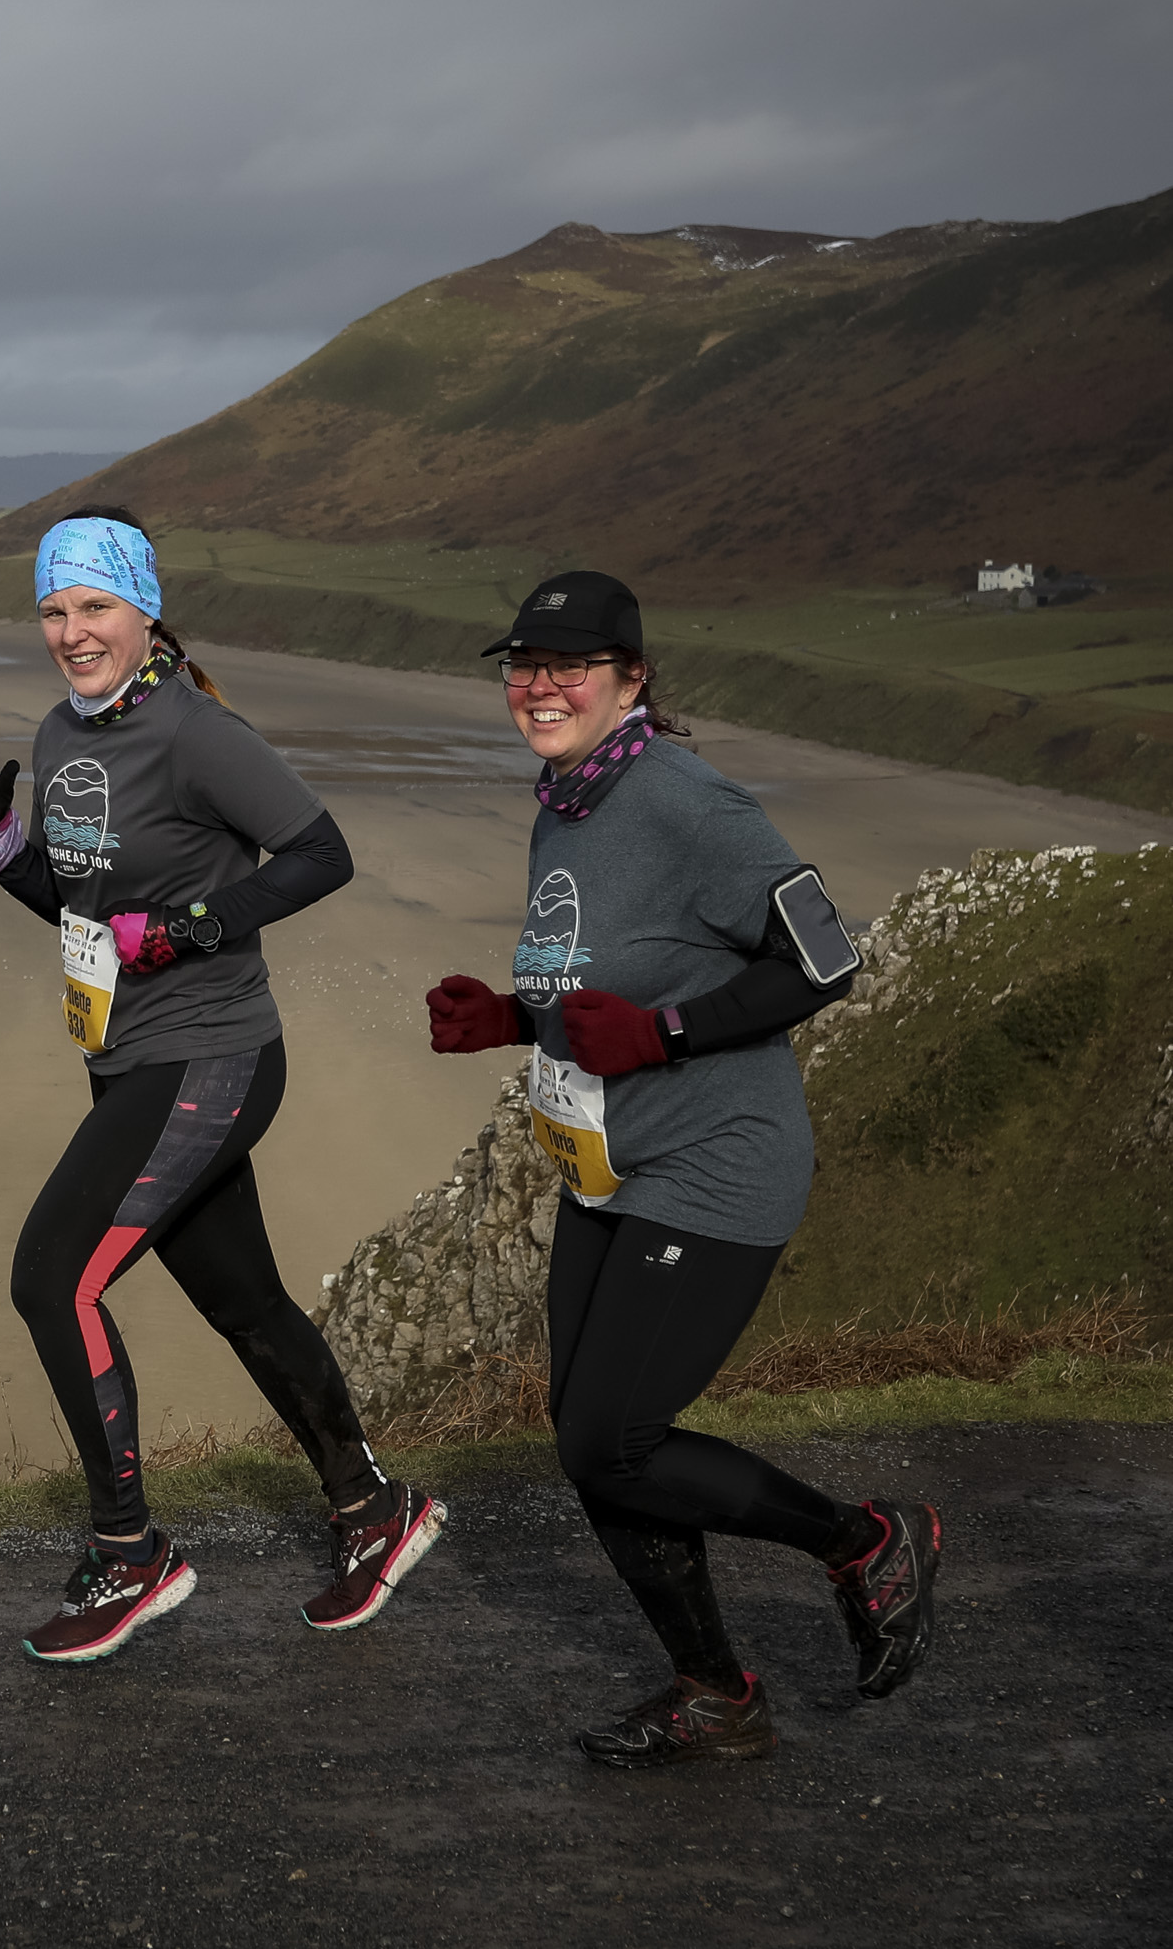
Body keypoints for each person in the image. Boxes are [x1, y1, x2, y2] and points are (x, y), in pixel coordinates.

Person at [427, 570, 939, 1767]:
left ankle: (862, 1539)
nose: (539, 686)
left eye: (570, 667)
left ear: (630, 677)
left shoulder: (684, 799)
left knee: (612, 1434)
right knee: (588, 1435)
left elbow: (825, 958)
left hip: (715, 1161)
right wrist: (509, 1016)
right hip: (605, 1160)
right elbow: (618, 966)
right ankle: (714, 1693)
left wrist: (664, 1037)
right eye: (522, 666)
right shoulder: (566, 793)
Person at [0, 508, 443, 1662]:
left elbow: (320, 851)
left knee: (52, 1280)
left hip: (209, 1055)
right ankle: (373, 1511)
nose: (69, 631)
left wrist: (194, 924)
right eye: (52, 611)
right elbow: (86, 912)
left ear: (143, 607)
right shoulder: (63, 734)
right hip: (129, 1057)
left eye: (92, 606)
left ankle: (130, 1555)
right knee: (242, 1300)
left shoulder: (196, 733)